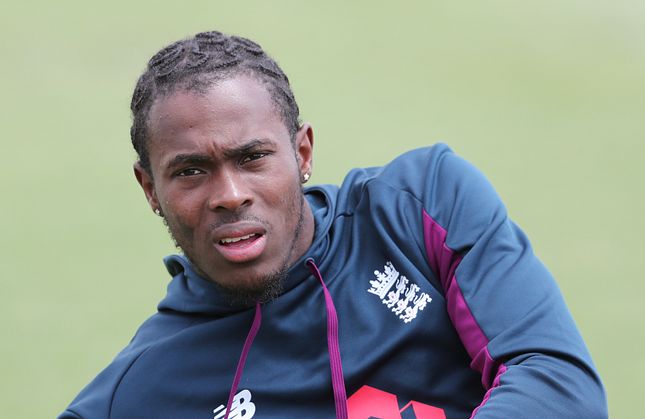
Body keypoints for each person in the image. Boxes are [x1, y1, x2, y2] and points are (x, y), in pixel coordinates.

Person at [60, 31, 607, 419]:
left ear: (302, 152)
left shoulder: (419, 207)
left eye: (253, 158)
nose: (229, 195)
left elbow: (559, 387)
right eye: (191, 171)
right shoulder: (138, 392)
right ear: (150, 189)